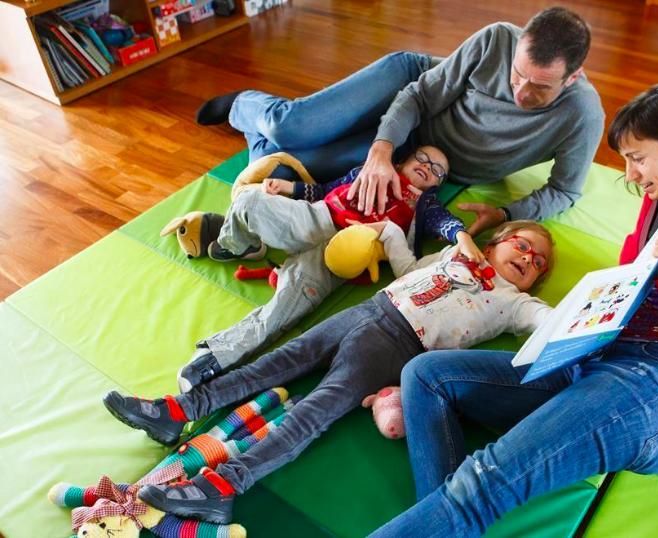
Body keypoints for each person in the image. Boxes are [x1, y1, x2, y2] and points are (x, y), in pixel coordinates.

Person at [369, 83, 658, 537]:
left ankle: (454, 513)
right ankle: (448, 520)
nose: (629, 173)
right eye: (625, 159)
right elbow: (629, 280)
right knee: (425, 376)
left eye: (638, 158)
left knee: (484, 479)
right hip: (600, 357)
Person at [103, 218, 555, 524]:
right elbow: (407, 267)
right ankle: (181, 410)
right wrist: (395, 231)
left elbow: (549, 322)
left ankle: (225, 484)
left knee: (316, 408)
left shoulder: (515, 303)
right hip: (371, 308)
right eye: (523, 246)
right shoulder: (453, 257)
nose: (529, 259)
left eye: (539, 264)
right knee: (281, 360)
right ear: (495, 242)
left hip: (398, 345)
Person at [195, 6, 604, 237]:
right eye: (517, 74)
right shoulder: (496, 38)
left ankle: (258, 135)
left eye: (539, 87)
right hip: (409, 86)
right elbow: (421, 95)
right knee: (291, 127)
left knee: (285, 175)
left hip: (421, 155)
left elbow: (564, 191)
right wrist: (380, 150)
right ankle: (246, 105)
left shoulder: (581, 115)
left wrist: (506, 213)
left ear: (573, 77)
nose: (520, 92)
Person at [178, 145, 482, 392]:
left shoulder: (424, 205)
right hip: (315, 218)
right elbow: (324, 189)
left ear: (436, 185)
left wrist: (461, 236)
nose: (427, 167)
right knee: (249, 200)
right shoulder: (368, 171)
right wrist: (287, 186)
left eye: (437, 171)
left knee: (279, 314)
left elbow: (445, 222)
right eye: (423, 158)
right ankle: (240, 244)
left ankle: (213, 357)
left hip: (338, 257)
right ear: (403, 159)